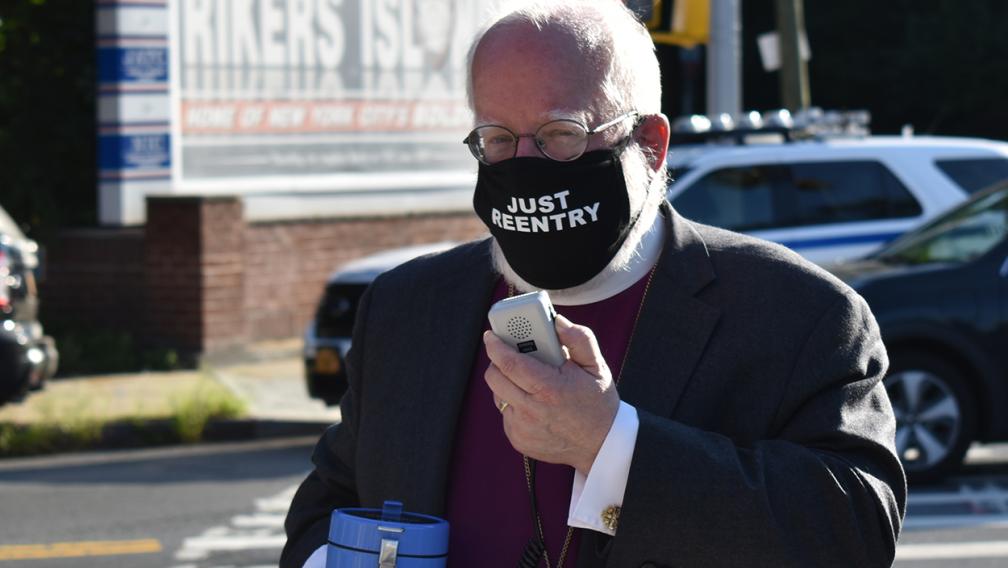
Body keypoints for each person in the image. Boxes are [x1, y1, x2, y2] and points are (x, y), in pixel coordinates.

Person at [282, 1, 907, 567]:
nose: (526, 165)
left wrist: (614, 448)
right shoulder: (407, 309)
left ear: (652, 146)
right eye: (498, 140)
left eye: (562, 135)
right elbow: (327, 510)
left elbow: (854, 532)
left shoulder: (799, 313)